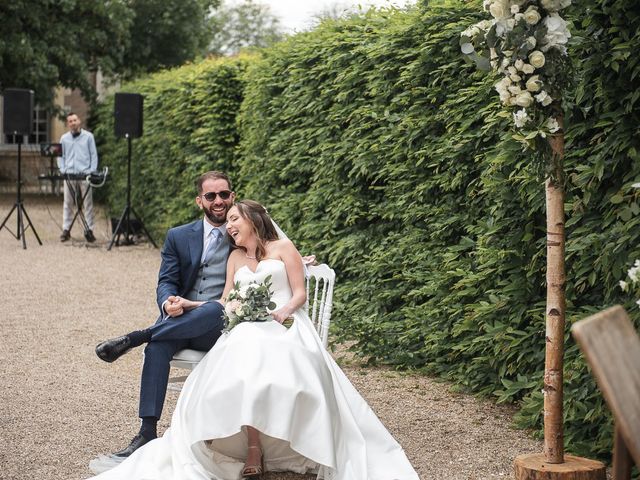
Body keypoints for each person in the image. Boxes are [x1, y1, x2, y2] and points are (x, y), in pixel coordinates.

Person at [88, 200, 419, 480]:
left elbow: (300, 293)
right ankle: (252, 448)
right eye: (228, 222)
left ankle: (299, 440)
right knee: (241, 354)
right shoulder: (235, 258)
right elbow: (225, 301)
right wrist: (188, 304)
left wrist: (284, 310)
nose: (229, 227)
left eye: (234, 219)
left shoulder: (284, 248)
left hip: (284, 322)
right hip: (244, 323)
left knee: (270, 359)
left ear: (253, 220)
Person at [94, 171, 236, 458]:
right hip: (179, 322)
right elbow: (166, 281)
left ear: (232, 196)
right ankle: (147, 432)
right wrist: (167, 303)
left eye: (224, 194)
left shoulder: (243, 232)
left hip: (219, 328)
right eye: (211, 196)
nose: (219, 201)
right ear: (200, 201)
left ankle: (136, 337)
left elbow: (274, 252)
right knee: (157, 347)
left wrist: (300, 260)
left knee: (214, 308)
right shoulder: (178, 235)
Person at [58, 112, 99, 242]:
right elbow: (60, 156)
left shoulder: (89, 137)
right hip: (69, 174)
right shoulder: (64, 138)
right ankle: (66, 229)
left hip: (85, 174)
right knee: (68, 202)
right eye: (70, 121)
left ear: (79, 121)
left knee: (88, 203)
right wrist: (63, 169)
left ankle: (89, 229)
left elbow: (94, 155)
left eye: (75, 120)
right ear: (67, 124)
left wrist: (91, 171)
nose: (73, 123)